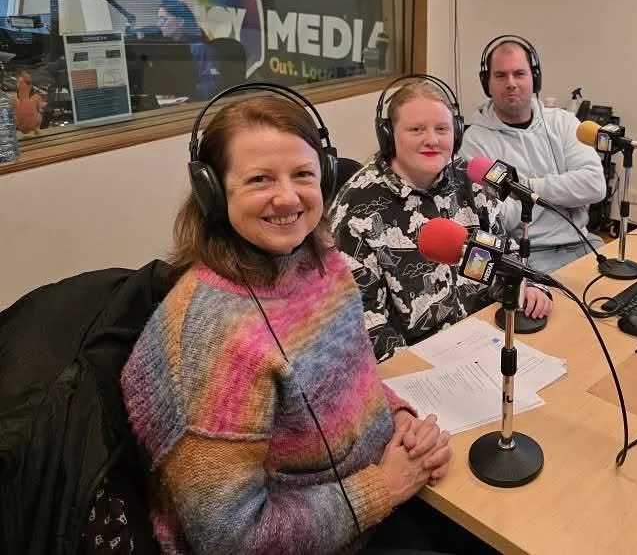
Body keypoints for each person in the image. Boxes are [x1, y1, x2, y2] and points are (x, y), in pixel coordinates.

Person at [120, 92, 455, 554]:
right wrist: (383, 487)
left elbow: (350, 381)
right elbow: (232, 539)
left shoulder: (322, 262)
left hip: (374, 502)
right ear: (212, 191)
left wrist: (398, 420)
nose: (287, 197)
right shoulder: (211, 338)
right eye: (260, 179)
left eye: (302, 175)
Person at [332, 79, 554, 362]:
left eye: (442, 129)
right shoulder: (357, 208)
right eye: (416, 129)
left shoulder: (470, 179)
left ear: (456, 133)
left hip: (486, 338)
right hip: (415, 361)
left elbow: (502, 255)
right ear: (388, 136)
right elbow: (364, 326)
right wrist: (417, 373)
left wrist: (529, 287)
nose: (432, 140)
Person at [462, 36, 607, 273]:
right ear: (487, 83)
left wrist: (524, 188)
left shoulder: (564, 123)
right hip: (525, 254)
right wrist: (566, 193)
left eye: (519, 74)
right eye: (501, 75)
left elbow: (594, 186)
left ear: (534, 78)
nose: (511, 83)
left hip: (583, 242)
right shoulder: (475, 142)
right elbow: (500, 216)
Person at [157, 0, 222, 100]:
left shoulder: (201, 49)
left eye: (163, 19)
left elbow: (212, 87)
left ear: (180, 22)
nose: (158, 24)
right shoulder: (168, 50)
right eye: (159, 19)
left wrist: (182, 91)